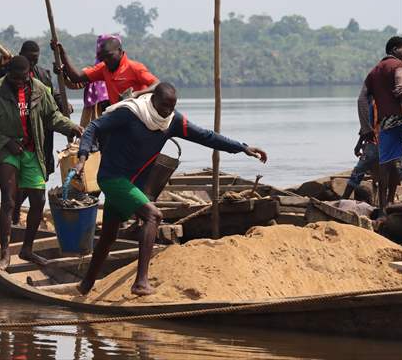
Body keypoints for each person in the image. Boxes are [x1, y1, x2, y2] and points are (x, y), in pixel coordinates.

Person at [73, 82, 267, 296]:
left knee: (108, 237)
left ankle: (85, 286)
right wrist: (82, 158)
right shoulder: (131, 113)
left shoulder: (171, 121)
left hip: (132, 184)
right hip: (112, 179)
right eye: (164, 105)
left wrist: (242, 147)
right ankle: (140, 283)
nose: (167, 110)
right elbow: (94, 127)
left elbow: (205, 136)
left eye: (172, 106)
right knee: (154, 216)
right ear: (153, 99)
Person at [0, 55, 83, 269]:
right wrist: (5, 141)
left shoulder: (40, 90)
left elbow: (52, 117)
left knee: (39, 200)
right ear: (8, 75)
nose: (19, 82)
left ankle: (27, 249)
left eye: (23, 79)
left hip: (33, 151)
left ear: (29, 74)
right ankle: (5, 254)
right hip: (6, 151)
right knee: (9, 200)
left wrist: (71, 126)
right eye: (14, 79)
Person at [0, 41, 66, 224]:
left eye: (35, 60)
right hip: (8, 142)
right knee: (10, 190)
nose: (31, 64)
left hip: (37, 140)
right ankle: (13, 218)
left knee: (33, 188)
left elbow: (52, 100)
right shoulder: (5, 72)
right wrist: (0, 68)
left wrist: (63, 105)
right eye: (29, 59)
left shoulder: (43, 76)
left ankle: (18, 220)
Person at [363, 36, 402, 209]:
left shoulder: (374, 71)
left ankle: (383, 208)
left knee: (386, 164)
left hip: (386, 122)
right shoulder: (400, 66)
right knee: (400, 166)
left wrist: (365, 128)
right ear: (394, 50)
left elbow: (362, 100)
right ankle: (390, 202)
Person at [54, 37, 159, 105]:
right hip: (117, 115)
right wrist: (62, 54)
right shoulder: (103, 68)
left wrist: (137, 94)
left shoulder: (135, 67)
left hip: (138, 115)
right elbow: (76, 77)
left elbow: (157, 84)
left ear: (120, 51)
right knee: (92, 130)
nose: (106, 60)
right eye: (103, 58)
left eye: (109, 56)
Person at [343, 87, 379, 201]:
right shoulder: (385, 103)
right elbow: (366, 126)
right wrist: (359, 143)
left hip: (375, 143)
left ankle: (344, 199)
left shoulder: (374, 104)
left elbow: (366, 126)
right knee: (386, 174)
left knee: (358, 172)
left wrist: (359, 145)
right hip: (383, 143)